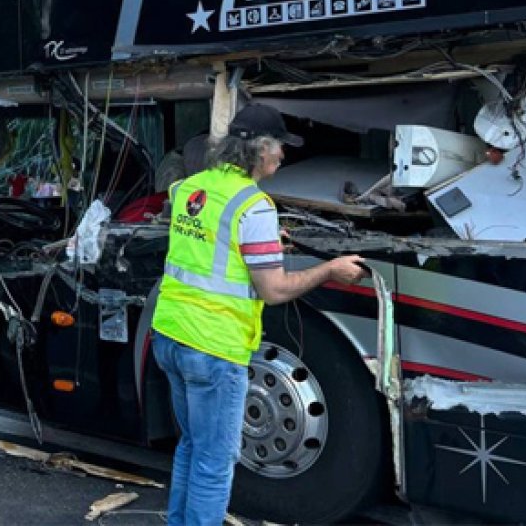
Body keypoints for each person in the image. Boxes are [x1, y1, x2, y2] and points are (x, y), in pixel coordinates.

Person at [150, 104, 367, 526]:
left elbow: (209, 237)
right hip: (213, 346)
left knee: (192, 447)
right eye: (280, 148)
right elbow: (274, 290)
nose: (283, 157)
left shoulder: (190, 188)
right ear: (259, 150)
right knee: (214, 462)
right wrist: (331, 270)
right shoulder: (255, 206)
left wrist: (264, 242)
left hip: (170, 335)